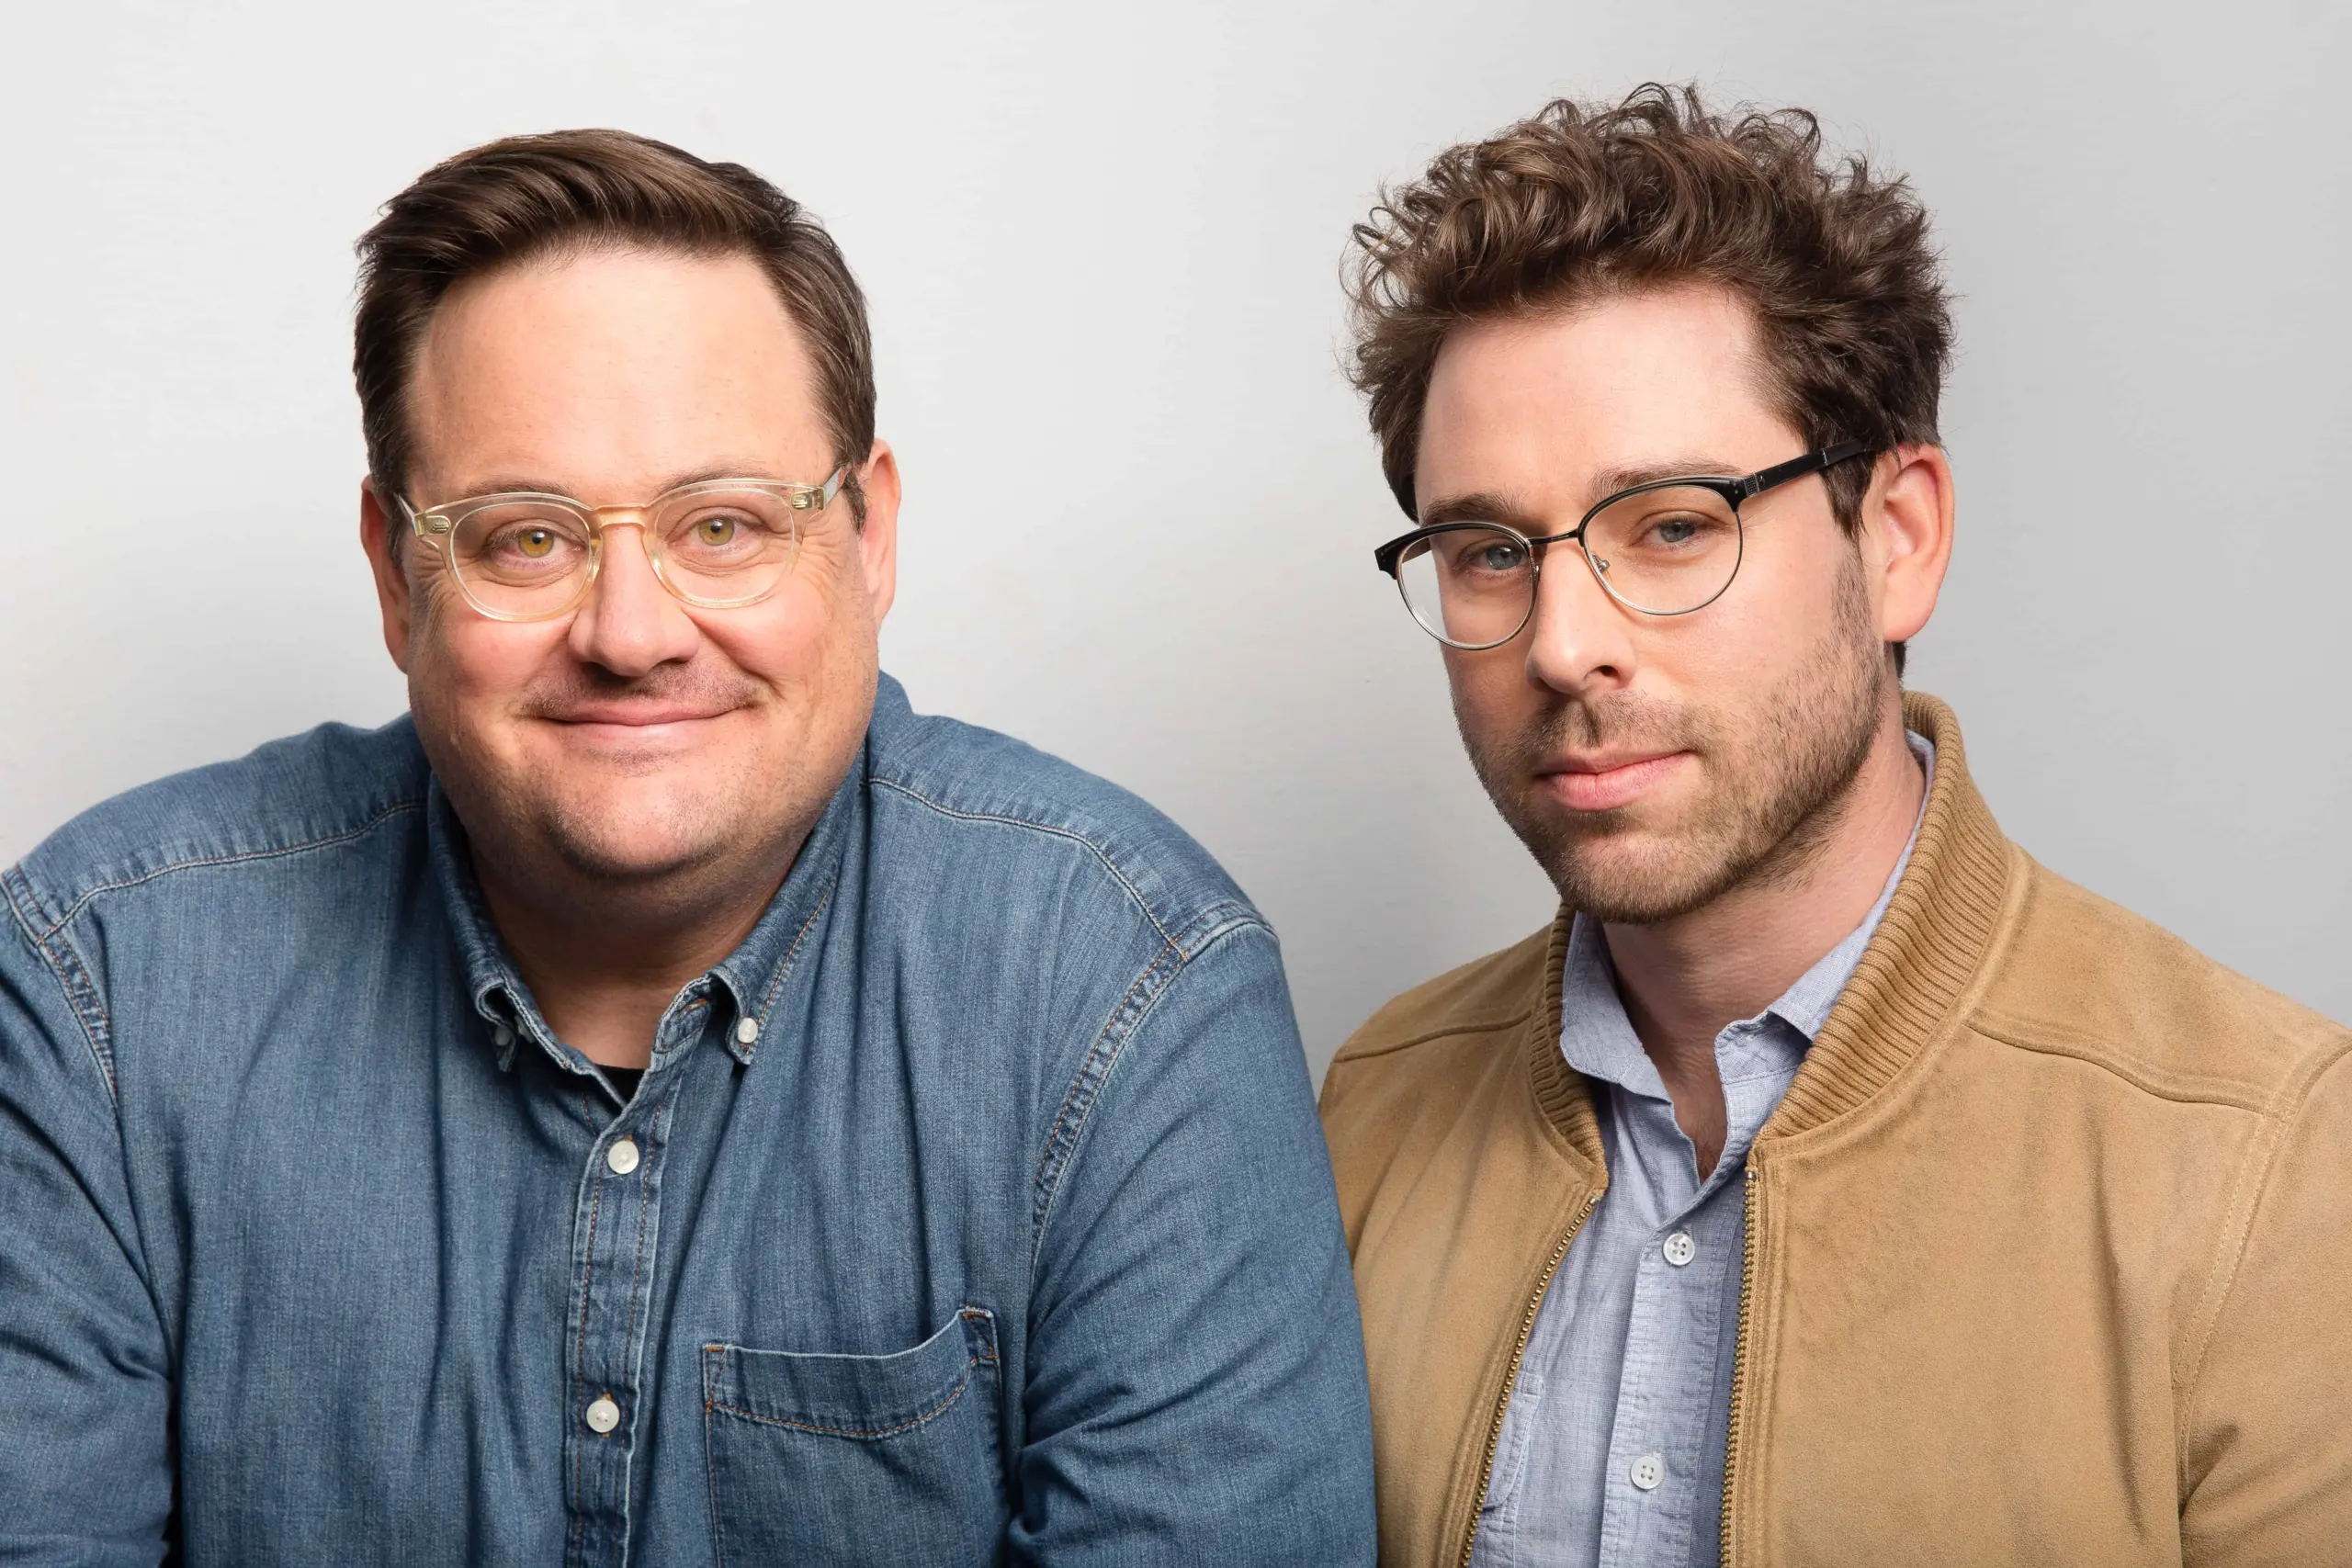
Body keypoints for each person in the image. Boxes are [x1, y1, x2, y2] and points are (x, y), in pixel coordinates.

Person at [0, 130, 1374, 1565]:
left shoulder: (1130, 992)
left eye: (722, 524)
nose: (632, 632)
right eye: (527, 537)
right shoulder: (100, 989)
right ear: (396, 575)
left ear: (870, 539)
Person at [1319, 85, 2352, 1567]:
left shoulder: (2269, 1163)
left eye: (1674, 524)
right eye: (1488, 551)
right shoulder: (1371, 1111)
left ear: (1899, 539)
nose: (1562, 643)